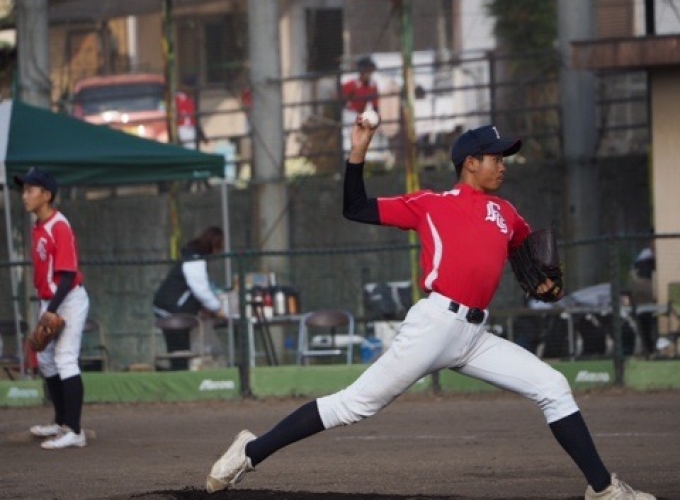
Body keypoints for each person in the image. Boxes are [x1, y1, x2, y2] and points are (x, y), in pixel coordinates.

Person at [204, 123, 656, 500]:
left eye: (505, 157)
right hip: (436, 324)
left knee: (552, 387)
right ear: (470, 163)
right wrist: (358, 152)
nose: (503, 164)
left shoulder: (507, 213)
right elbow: (355, 208)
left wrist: (546, 285)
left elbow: (528, 261)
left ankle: (603, 489)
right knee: (353, 406)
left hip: (475, 336)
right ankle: (250, 452)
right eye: (495, 156)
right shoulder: (430, 205)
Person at [14, 167, 90, 449]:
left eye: (30, 190)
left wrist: (52, 310)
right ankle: (60, 422)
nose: (25, 196)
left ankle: (75, 431)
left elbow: (68, 274)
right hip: (51, 300)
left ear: (46, 195)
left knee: (65, 358)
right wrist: (47, 306)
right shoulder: (39, 226)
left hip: (68, 299)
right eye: (24, 190)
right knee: (45, 360)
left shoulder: (59, 225)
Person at [152, 226, 226, 369]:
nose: (219, 252)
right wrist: (217, 309)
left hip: (168, 307)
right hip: (171, 309)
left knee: (178, 350)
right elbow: (200, 290)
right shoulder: (194, 261)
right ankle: (179, 373)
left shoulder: (192, 258)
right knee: (180, 350)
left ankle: (177, 371)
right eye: (219, 247)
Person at [628, 239, 657, 356]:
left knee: (649, 324)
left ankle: (650, 349)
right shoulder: (644, 259)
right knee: (644, 323)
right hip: (643, 299)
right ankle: (648, 349)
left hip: (649, 299)